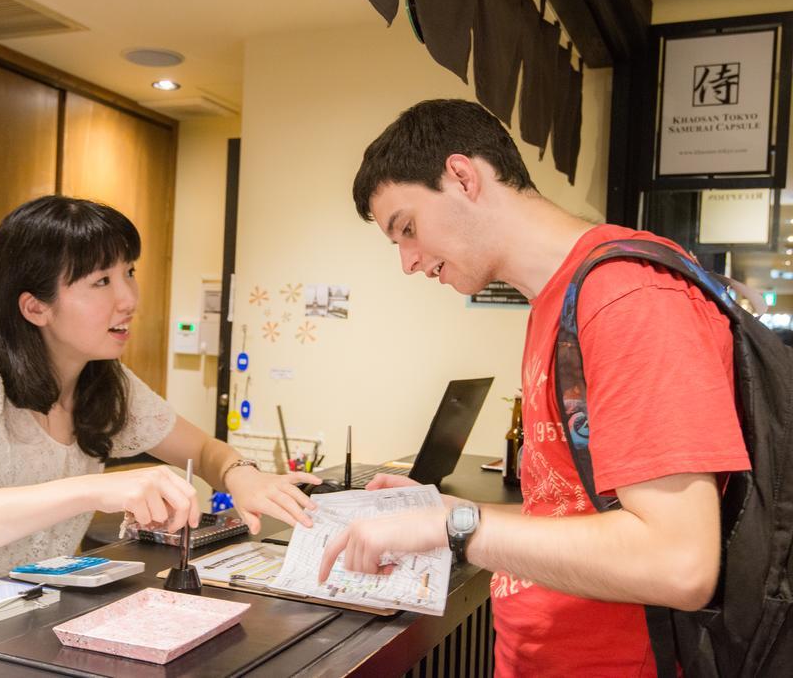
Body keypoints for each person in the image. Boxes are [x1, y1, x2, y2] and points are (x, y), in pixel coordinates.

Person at [319, 99, 749, 675]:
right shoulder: (557, 301)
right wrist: (447, 507)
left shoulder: (627, 299)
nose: (409, 262)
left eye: (408, 229)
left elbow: (679, 563)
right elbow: (572, 510)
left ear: (463, 177)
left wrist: (454, 526)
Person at [0, 195, 319, 613]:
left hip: (25, 610)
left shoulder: (105, 380)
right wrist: (95, 491)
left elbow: (202, 452)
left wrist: (242, 476)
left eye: (129, 273)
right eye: (101, 281)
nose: (129, 300)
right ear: (35, 308)